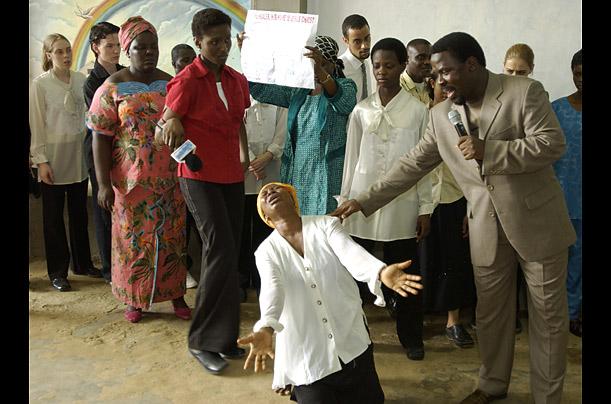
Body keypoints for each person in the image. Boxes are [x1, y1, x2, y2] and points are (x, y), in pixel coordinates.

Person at [332, 32, 576, 404]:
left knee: (547, 319)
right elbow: (413, 164)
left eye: (445, 72)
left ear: (472, 65)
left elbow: (550, 143)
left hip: (536, 226)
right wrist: (363, 200)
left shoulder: (523, 92)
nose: (439, 80)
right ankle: (492, 384)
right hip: (485, 229)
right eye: (434, 73)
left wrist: (490, 151)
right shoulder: (441, 115)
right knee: (490, 315)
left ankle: (547, 397)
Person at [237, 182, 423, 403]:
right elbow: (272, 289)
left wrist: (380, 271)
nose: (269, 193)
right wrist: (266, 326)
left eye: (276, 189)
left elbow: (352, 254)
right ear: (266, 218)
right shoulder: (266, 252)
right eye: (263, 195)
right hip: (309, 356)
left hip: (351, 342)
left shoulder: (326, 225)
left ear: (294, 201)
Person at [159, 8, 251, 374]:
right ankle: (201, 341)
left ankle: (225, 338)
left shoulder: (235, 79)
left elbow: (238, 120)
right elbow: (164, 128)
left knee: (230, 257)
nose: (223, 47)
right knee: (219, 250)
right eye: (215, 42)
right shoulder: (186, 81)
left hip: (232, 175)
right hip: (198, 177)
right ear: (198, 42)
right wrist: (173, 123)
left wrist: (244, 155)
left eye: (227, 40)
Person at [87, 16, 190, 324]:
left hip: (171, 179)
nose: (149, 53)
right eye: (140, 47)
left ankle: (176, 294)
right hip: (130, 184)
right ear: (127, 49)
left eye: (153, 47)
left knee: (172, 237)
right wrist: (103, 185)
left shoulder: (170, 83)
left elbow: (183, 125)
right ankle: (135, 298)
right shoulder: (112, 87)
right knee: (133, 240)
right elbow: (100, 137)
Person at [340, 38, 431, 361]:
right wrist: (347, 199)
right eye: (376, 65)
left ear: (403, 65)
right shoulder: (361, 110)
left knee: (407, 272)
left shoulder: (419, 111)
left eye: (389, 65)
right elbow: (351, 159)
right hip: (362, 202)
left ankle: (411, 337)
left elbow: (427, 166)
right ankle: (354, 338)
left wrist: (425, 209)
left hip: (402, 203)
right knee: (356, 274)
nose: (381, 72)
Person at [241, 34, 357, 215]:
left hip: (326, 174)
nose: (316, 70)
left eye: (323, 64)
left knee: (322, 228)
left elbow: (345, 103)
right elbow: (261, 90)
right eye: (312, 65)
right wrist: (248, 57)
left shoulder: (346, 86)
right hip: (297, 172)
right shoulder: (297, 90)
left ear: (334, 64)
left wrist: (322, 73)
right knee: (297, 223)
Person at [29, 33, 101, 292]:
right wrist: (41, 161)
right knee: (53, 219)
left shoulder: (81, 80)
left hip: (78, 155)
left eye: (68, 50)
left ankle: (82, 264)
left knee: (79, 214)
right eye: (59, 51)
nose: (66, 55)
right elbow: (37, 125)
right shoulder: (40, 85)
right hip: (53, 159)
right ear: (48, 55)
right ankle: (57, 271)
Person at [420, 71, 476, 348]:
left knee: (454, 260)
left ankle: (454, 321)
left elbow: (474, 166)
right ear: (432, 84)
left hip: (455, 197)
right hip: (422, 200)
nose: (447, 89)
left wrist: (470, 207)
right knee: (423, 259)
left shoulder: (463, 117)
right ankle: (419, 317)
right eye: (441, 84)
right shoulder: (420, 115)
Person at [83, 22, 125, 284]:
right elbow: (103, 122)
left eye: (119, 45)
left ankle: (126, 264)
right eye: (110, 45)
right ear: (96, 47)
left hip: (124, 153)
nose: (116, 50)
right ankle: (110, 270)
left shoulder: (126, 73)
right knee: (104, 210)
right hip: (99, 152)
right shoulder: (93, 82)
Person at [501, 42, 536, 334]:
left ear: (532, 71)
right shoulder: (493, 101)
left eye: (521, 72)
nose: (515, 77)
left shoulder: (537, 99)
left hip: (530, 196)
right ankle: (509, 315)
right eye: (510, 71)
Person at [239, 99, 287, 299]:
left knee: (265, 230)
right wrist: (251, 160)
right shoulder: (240, 96)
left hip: (271, 171)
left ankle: (264, 279)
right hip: (243, 173)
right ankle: (240, 279)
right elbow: (235, 130)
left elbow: (283, 132)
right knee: (240, 229)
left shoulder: (278, 99)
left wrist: (267, 156)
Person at [552, 49, 582, 338]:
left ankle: (576, 313)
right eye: (578, 73)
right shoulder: (556, 110)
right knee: (562, 261)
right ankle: (566, 315)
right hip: (560, 198)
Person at [170, 43, 199, 290]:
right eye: (182, 62)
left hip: (204, 169)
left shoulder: (203, 87)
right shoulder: (172, 91)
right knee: (182, 225)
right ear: (174, 66)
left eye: (192, 60)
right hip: (175, 169)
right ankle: (183, 270)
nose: (188, 65)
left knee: (203, 227)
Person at [338, 14, 373, 102]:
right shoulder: (338, 68)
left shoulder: (365, 64)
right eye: (357, 41)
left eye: (367, 38)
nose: (364, 46)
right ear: (346, 41)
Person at [400, 39, 433, 106]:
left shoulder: (433, 85)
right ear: (406, 59)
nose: (428, 62)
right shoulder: (397, 87)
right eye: (421, 58)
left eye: (430, 57)